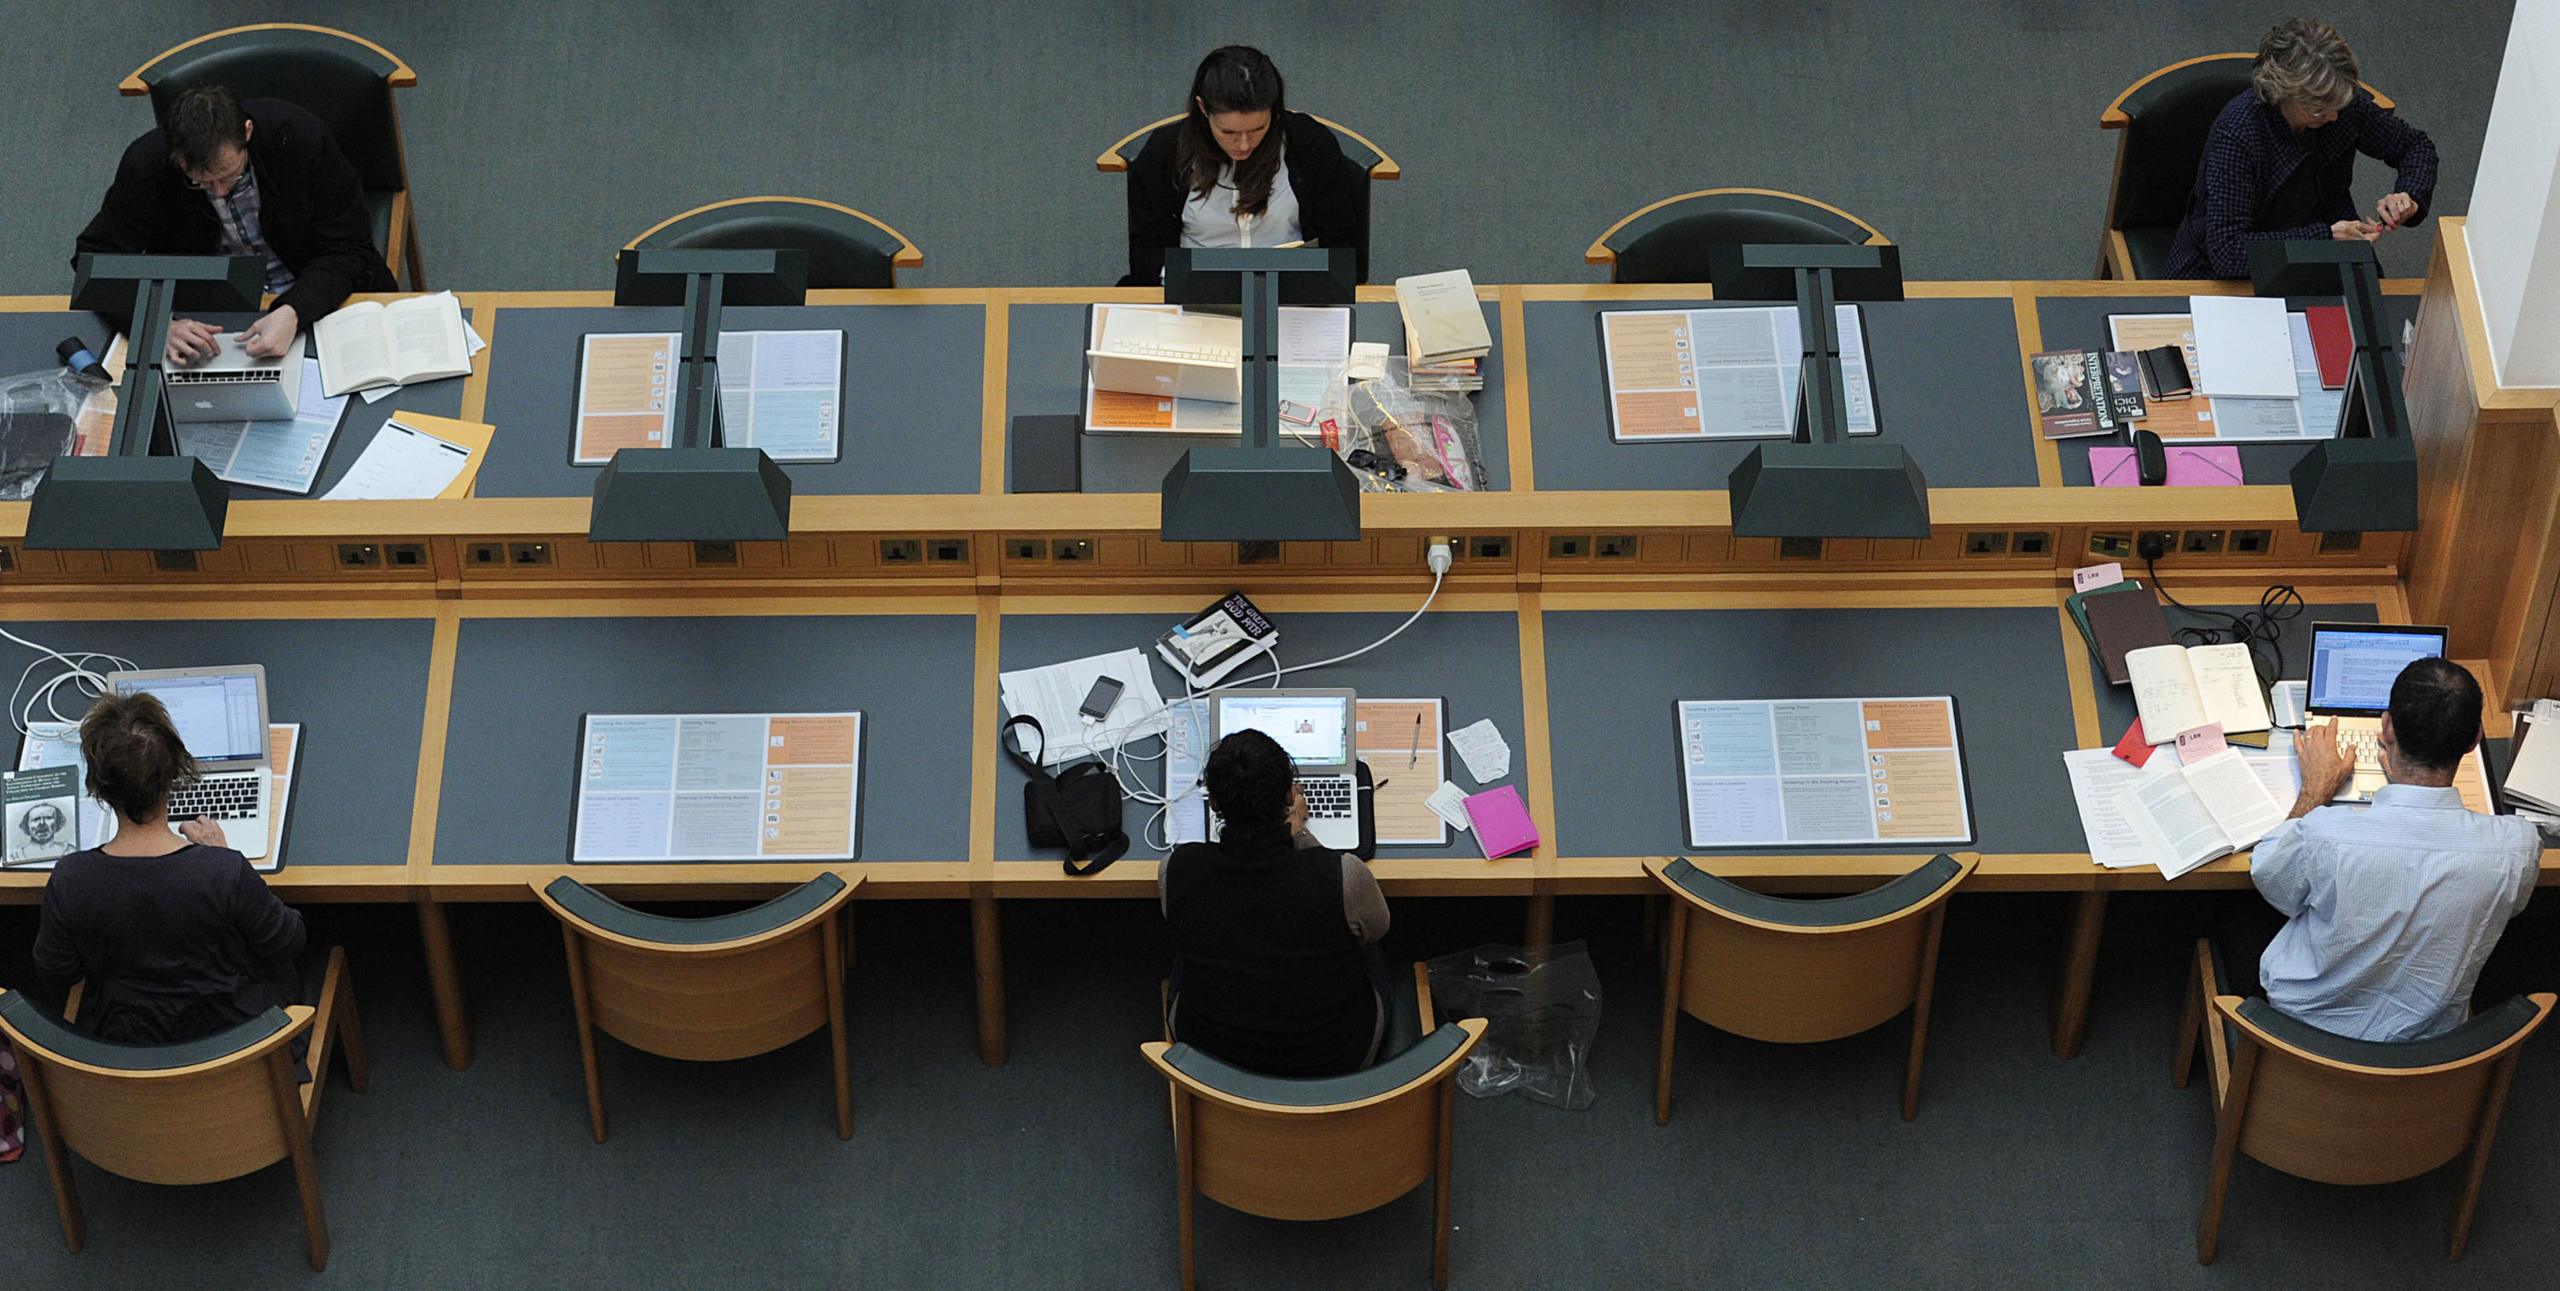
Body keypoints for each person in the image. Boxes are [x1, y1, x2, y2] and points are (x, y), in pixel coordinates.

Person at [2230, 658, 2538, 1042]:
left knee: (2236, 919)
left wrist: (2316, 790)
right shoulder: (2517, 848)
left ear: (2386, 727)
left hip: (2302, 1042)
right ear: (2476, 738)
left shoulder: (2325, 836)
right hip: (2425, 1055)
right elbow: (2515, 902)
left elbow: (2271, 875)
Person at [30, 691, 306, 1048]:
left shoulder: (70, 878)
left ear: (98, 788)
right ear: (175, 772)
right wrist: (222, 855)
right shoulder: (223, 871)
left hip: (128, 1055)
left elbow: (57, 972)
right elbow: (288, 941)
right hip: (235, 1051)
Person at [74, 84, 395, 368]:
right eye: (200, 182)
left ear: (248, 132)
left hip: (316, 292)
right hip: (210, 313)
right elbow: (96, 261)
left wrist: (295, 310)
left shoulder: (299, 139)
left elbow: (348, 247)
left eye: (229, 176)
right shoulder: (148, 164)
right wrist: (155, 327)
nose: (220, 192)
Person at [1160, 729, 1389, 1077]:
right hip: (1336, 1057)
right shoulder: (1345, 875)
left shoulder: (1176, 870)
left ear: (1214, 802)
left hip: (1212, 1060)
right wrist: (1300, 832)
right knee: (1363, 941)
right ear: (1288, 794)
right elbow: (1378, 928)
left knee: (1187, 946)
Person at [2163, 18, 2438, 279]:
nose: (2333, 117)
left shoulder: (2340, 105)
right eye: (2318, 111)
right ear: (2283, 94)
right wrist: (2324, 238)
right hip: (2232, 268)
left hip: (2325, 234)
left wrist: (2409, 196)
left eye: (2338, 106)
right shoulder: (2238, 133)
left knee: (2367, 319)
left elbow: (2415, 147)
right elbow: (2228, 253)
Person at [1121, 46, 1363, 286]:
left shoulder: (1310, 144)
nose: (1244, 144)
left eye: (1258, 129)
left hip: (1290, 293)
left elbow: (1342, 243)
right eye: (1228, 132)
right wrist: (1181, 281)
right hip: (1194, 294)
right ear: (1203, 108)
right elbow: (1145, 250)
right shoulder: (1166, 150)